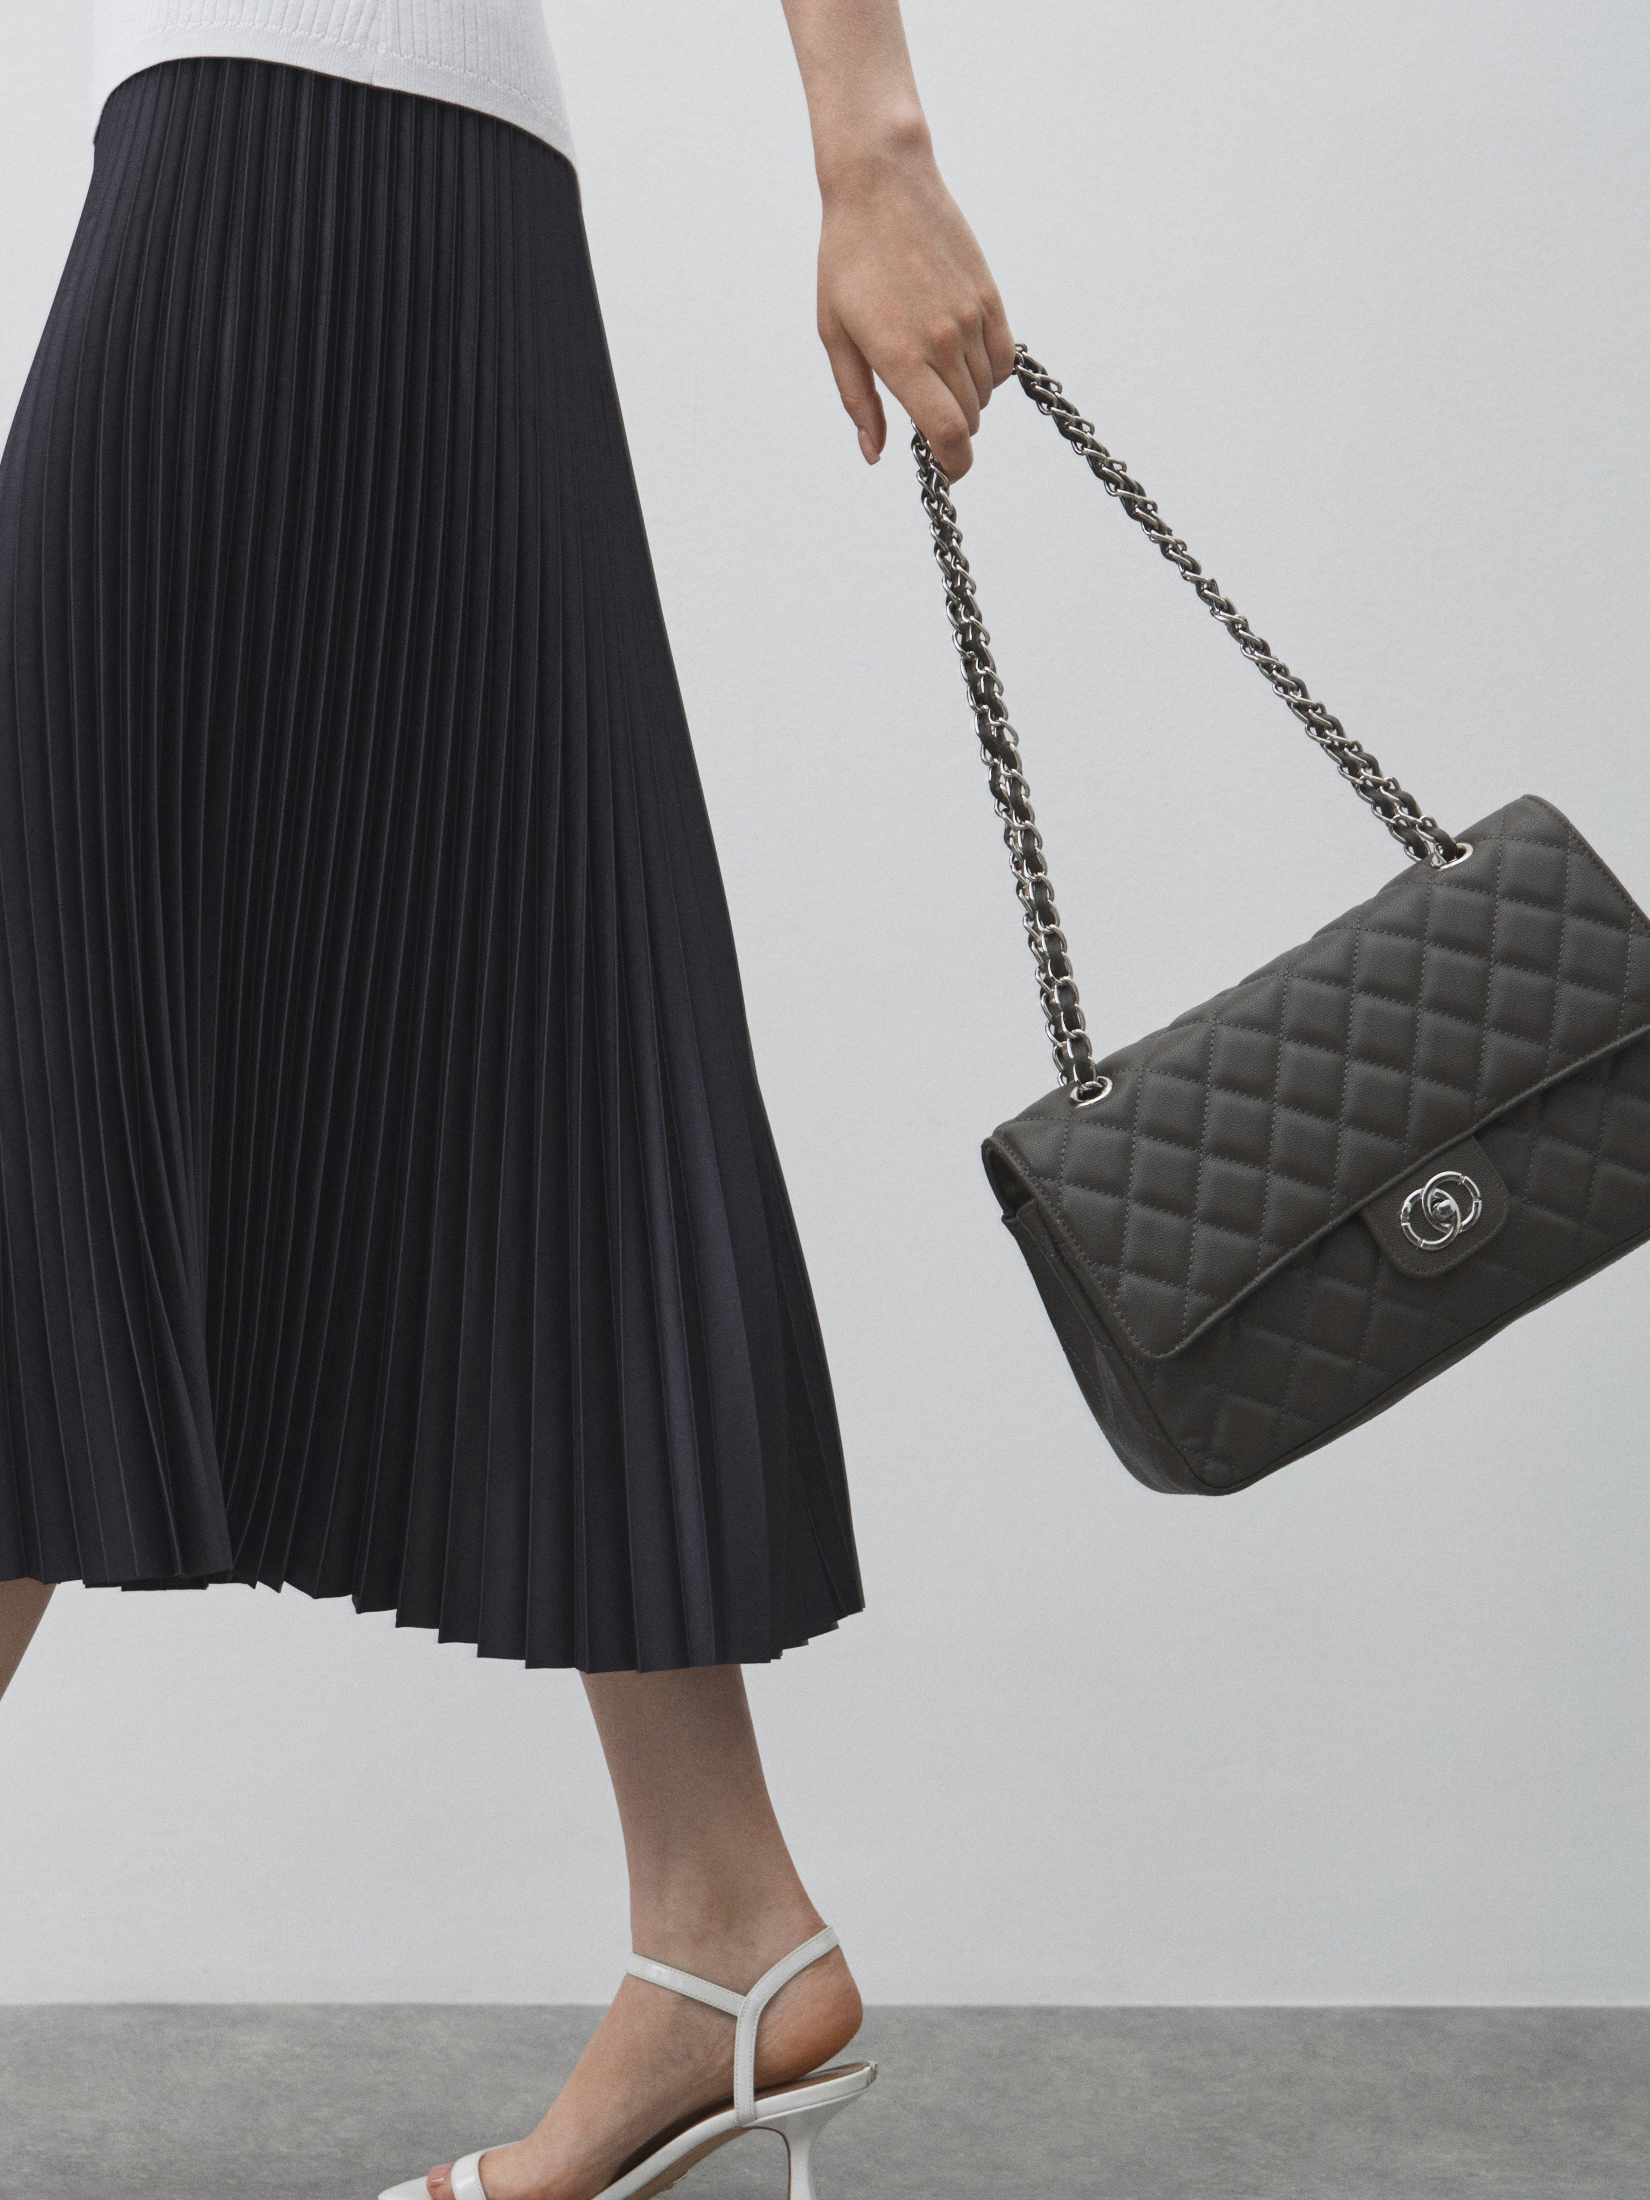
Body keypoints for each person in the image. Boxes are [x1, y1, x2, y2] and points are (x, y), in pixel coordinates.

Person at [0, 4, 1012, 2195]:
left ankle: (727, 1926)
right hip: (368, 190)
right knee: (526, 1031)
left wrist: (874, 143)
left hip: (272, 174)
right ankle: (723, 1919)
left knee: (58, 1055)